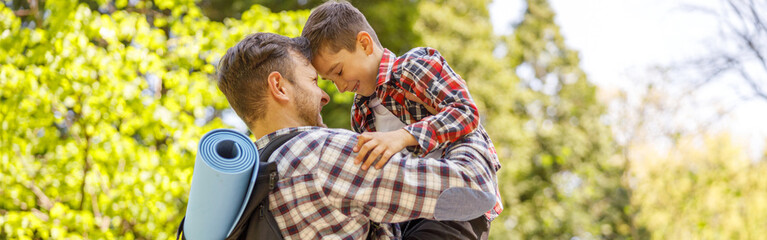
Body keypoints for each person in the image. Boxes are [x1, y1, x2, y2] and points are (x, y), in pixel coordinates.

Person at [216, 32, 499, 240]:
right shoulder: (321, 155)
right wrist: (457, 118)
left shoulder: (244, 188)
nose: (327, 94)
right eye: (314, 81)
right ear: (279, 86)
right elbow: (473, 191)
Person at [301, 1, 502, 238]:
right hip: (410, 209)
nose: (341, 87)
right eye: (331, 81)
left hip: (456, 203)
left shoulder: (414, 65)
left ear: (364, 44)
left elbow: (466, 112)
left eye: (339, 72)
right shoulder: (360, 110)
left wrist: (402, 137)